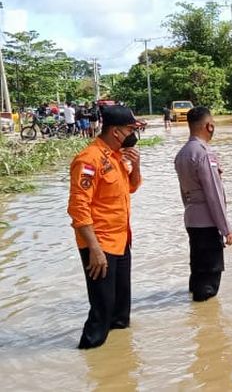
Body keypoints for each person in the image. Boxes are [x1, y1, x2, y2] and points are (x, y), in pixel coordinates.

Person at [67, 105, 143, 349]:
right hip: (99, 245)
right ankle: (90, 353)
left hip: (121, 241)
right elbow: (78, 209)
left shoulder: (117, 156)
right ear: (115, 131)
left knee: (121, 310)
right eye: (131, 129)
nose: (134, 133)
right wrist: (95, 250)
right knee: (102, 308)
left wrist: (137, 166)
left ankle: (118, 365)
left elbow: (130, 188)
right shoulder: (88, 160)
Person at [174, 106, 232, 302]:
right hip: (208, 223)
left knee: (198, 272)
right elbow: (214, 195)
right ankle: (209, 326)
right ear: (209, 126)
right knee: (209, 280)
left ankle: (199, 323)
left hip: (192, 220)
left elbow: (184, 192)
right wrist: (226, 228)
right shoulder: (203, 154)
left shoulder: (182, 153)